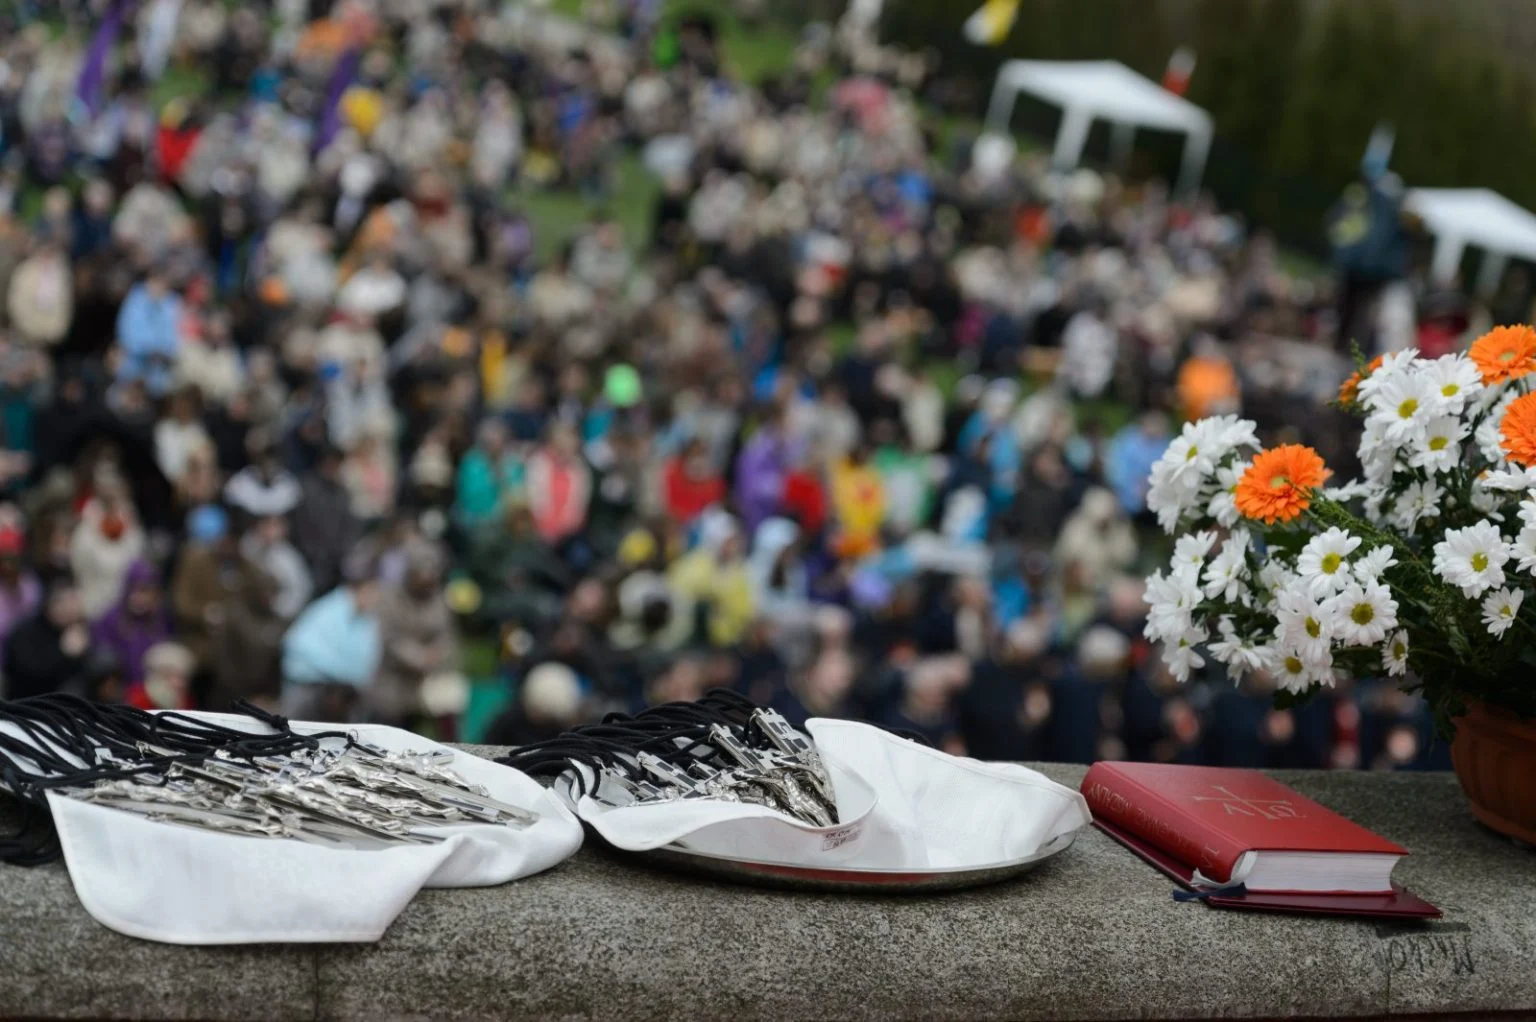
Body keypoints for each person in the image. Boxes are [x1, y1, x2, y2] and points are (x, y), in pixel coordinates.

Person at [281, 549, 383, 721]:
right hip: (309, 689)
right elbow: (296, 644)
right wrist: (342, 673)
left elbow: (367, 662)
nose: (376, 598)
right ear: (359, 589)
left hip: (345, 693)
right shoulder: (328, 610)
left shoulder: (367, 620)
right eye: (372, 591)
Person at [370, 541, 458, 726]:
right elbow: (389, 638)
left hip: (428, 679)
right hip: (394, 677)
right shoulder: (390, 598)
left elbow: (446, 634)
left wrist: (437, 654)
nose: (426, 583)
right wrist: (419, 657)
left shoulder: (439, 599)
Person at [4, 575, 97, 700]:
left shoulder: (78, 629)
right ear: (53, 605)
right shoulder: (24, 633)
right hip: (26, 705)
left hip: (69, 706)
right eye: (69, 604)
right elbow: (30, 679)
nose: (74, 610)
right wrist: (63, 654)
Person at [89, 559, 172, 688]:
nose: (138, 597)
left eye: (145, 591)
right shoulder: (109, 619)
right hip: (119, 692)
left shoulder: (162, 619)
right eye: (134, 590)